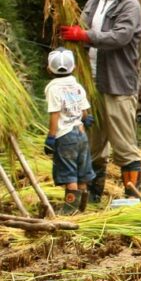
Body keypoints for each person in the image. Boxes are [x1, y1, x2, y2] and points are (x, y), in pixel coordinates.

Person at [59, 0, 141, 202]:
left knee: (124, 146)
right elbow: (81, 28)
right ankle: (94, 197)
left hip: (118, 84)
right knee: (94, 145)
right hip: (92, 84)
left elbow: (120, 36)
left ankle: (132, 198)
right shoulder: (95, 2)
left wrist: (85, 35)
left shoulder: (130, 5)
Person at [43, 48, 95, 215]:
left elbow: (55, 114)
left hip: (65, 136)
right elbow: (85, 111)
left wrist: (51, 137)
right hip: (81, 134)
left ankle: (70, 212)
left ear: (49, 68)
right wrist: (85, 119)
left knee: (69, 174)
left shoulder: (53, 88)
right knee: (82, 173)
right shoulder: (76, 85)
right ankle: (82, 210)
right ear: (73, 67)